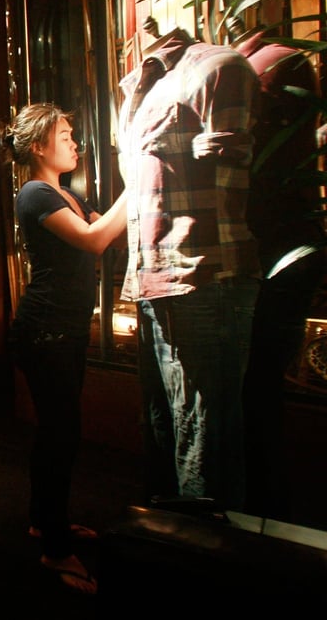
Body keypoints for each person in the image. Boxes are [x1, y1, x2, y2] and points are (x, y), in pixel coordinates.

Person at [118, 27, 260, 511]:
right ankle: (170, 548)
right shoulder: (136, 86)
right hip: (154, 276)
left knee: (204, 434)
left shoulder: (216, 68)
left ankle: (211, 563)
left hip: (204, 275)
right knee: (164, 424)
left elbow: (230, 167)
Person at [0, 104, 126, 596]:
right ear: (38, 146)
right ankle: (54, 548)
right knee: (60, 435)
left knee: (58, 434)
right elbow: (94, 240)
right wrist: (139, 186)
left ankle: (45, 522)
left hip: (62, 331)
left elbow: (100, 234)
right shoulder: (34, 192)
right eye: (64, 135)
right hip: (44, 331)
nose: (73, 142)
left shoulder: (62, 191)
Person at [232, 24, 327, 521]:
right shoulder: (285, 62)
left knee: (256, 385)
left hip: (275, 245)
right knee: (263, 384)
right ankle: (267, 502)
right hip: (291, 240)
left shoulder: (268, 65)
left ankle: (261, 507)